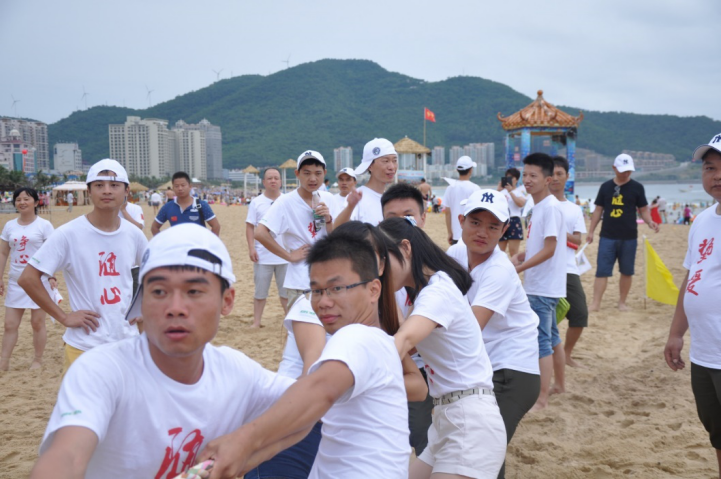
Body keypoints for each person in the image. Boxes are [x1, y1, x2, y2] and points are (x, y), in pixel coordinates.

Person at [30, 224, 294, 478]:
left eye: (193, 291)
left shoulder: (237, 373)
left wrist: (249, 443)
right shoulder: (101, 370)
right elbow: (67, 456)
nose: (175, 308)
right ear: (141, 301)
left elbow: (310, 400)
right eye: (159, 291)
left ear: (227, 301)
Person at [200, 232, 425, 479]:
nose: (323, 302)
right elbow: (307, 421)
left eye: (337, 288)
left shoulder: (357, 336)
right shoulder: (381, 342)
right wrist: (245, 459)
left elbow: (319, 389)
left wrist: (243, 440)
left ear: (373, 290)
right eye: (316, 291)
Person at [380, 217, 507, 479]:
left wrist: (355, 375)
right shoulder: (429, 291)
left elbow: (404, 341)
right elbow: (405, 343)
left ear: (405, 248)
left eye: (381, 261)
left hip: (470, 422)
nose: (378, 271)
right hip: (447, 419)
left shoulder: (438, 291)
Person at [18, 159, 149, 373]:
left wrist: (145, 309)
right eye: (99, 185)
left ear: (126, 191)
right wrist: (63, 317)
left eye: (114, 185)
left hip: (127, 343)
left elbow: (154, 274)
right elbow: (27, 278)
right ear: (89, 191)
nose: (107, 191)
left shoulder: (134, 234)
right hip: (84, 345)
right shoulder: (68, 234)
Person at [447, 189, 540, 479]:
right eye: (475, 222)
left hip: (513, 370)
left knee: (483, 449)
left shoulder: (499, 269)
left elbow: (470, 330)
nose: (482, 233)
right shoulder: (455, 254)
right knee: (480, 449)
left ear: (504, 229)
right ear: (461, 221)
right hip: (483, 367)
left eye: (492, 226)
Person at [664, 134, 721, 477]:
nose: (717, 175)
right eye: (710, 168)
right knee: (716, 432)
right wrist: (676, 333)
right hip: (704, 352)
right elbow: (692, 278)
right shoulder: (701, 221)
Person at [511, 153, 567, 412]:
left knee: (542, 342)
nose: (527, 180)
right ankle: (560, 386)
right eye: (525, 175)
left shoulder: (550, 207)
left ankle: (541, 399)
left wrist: (520, 268)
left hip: (543, 287)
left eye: (533, 175)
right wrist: (522, 255)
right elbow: (541, 246)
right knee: (552, 337)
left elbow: (551, 249)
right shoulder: (538, 207)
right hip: (542, 284)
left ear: (547, 179)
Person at [380, 183, 433, 455]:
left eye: (408, 217)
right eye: (392, 220)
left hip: (435, 369)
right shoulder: (381, 275)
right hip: (403, 367)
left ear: (423, 217)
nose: (401, 226)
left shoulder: (439, 272)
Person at [255, 150, 338, 309]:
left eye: (318, 173)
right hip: (300, 279)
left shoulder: (329, 199)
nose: (312, 178)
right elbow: (260, 232)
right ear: (297, 174)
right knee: (301, 323)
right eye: (306, 173)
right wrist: (288, 255)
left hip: (329, 275)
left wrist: (328, 220)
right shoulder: (285, 202)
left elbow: (336, 238)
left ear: (324, 173)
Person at [587, 153, 659, 311]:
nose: (626, 173)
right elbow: (598, 210)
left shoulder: (637, 187)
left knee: (627, 271)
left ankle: (622, 302)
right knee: (602, 271)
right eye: (623, 170)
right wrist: (591, 231)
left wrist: (650, 222)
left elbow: (643, 210)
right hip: (607, 236)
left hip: (629, 237)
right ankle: (596, 303)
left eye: (629, 170)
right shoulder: (605, 187)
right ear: (614, 168)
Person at [0, 187, 57, 371]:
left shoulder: (44, 225)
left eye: (26, 199)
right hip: (16, 282)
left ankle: (37, 360)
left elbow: (52, 253)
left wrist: (51, 276)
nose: (22, 202)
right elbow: (3, 253)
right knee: (10, 324)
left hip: (38, 281)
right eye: (18, 199)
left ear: (36, 202)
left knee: (37, 323)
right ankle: (3, 361)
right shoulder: (9, 226)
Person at [550, 156, 589, 370]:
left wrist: (559, 232)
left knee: (580, 314)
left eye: (560, 174)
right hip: (545, 268)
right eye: (552, 174)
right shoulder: (538, 205)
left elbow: (577, 240)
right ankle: (544, 354)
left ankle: (566, 354)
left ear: (567, 176)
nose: (555, 178)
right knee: (544, 316)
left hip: (568, 268)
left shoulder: (574, 209)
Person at [246, 167, 289, 328]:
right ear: (264, 182)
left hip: (285, 255)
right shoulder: (256, 202)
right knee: (260, 292)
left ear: (281, 181)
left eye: (276, 178)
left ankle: (289, 320)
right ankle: (257, 322)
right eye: (270, 178)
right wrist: (251, 248)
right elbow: (250, 226)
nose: (273, 181)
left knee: (286, 293)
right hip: (262, 255)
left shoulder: (287, 200)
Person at [335, 138, 398, 226]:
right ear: (370, 166)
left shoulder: (393, 199)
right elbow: (338, 228)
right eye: (385, 161)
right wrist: (350, 206)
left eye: (394, 161)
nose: (392, 167)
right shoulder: (358, 198)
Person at [152, 172, 220, 236]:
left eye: (183, 185)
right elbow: (154, 227)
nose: (180, 188)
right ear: (173, 188)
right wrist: (162, 242)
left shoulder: (201, 205)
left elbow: (216, 226)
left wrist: (209, 243)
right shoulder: (168, 207)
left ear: (190, 186)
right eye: (176, 186)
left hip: (197, 244)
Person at [444, 156, 480, 245]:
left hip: (456, 234)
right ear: (470, 170)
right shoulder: (475, 188)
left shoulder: (450, 188)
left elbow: (448, 212)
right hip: (471, 233)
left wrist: (450, 232)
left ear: (457, 170)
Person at [497, 167, 528, 256]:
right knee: (499, 252)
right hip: (502, 220)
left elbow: (521, 204)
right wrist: (498, 190)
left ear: (516, 180)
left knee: (513, 252)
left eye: (512, 177)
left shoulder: (520, 191)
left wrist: (511, 192)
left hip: (514, 220)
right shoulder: (502, 192)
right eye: (507, 177)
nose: (509, 179)